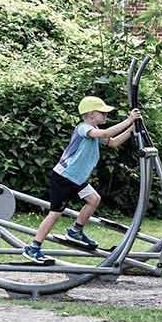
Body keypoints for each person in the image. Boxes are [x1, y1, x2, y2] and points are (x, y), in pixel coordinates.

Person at [22, 97, 140, 265]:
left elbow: (112, 142)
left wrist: (131, 129)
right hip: (64, 177)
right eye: (102, 112)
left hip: (77, 179)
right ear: (91, 114)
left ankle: (75, 231)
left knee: (94, 199)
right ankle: (33, 248)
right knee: (55, 214)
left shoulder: (95, 129)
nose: (106, 114)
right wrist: (128, 120)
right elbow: (106, 134)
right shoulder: (84, 128)